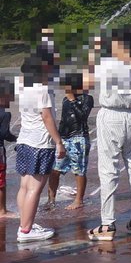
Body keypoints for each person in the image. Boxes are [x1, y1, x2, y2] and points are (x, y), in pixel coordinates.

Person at [86, 28, 131, 241]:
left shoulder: (107, 64)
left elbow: (85, 82)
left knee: (109, 169)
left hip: (111, 115)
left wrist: (93, 52)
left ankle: (107, 224)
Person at [13, 52, 65, 242]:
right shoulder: (42, 90)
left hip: (24, 140)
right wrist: (58, 141)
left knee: (24, 186)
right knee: (35, 188)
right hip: (40, 144)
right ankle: (26, 230)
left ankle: (25, 224)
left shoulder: (23, 85)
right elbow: (47, 117)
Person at [48, 71, 92, 210]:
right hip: (65, 138)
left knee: (79, 170)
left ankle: (79, 200)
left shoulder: (87, 99)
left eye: (66, 86)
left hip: (79, 138)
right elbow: (64, 120)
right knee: (54, 170)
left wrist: (73, 100)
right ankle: (51, 200)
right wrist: (58, 138)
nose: (64, 89)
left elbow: (82, 116)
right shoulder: (65, 100)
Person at [0, 78, 16, 216]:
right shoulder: (5, 114)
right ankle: (2, 210)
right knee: (1, 181)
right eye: (11, 95)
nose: (12, 100)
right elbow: (4, 134)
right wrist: (17, 138)